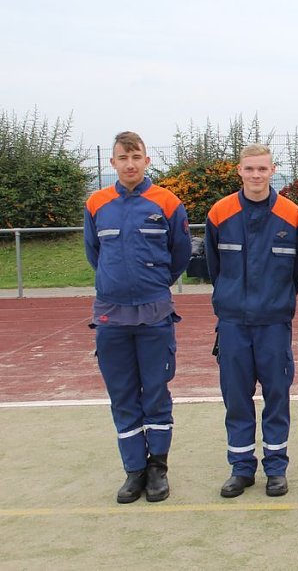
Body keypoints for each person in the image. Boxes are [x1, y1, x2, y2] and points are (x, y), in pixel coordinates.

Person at [84, 131, 191, 504]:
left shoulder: (167, 202)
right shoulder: (97, 203)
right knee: (123, 397)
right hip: (111, 318)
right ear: (112, 163)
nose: (130, 164)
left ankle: (158, 469)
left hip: (155, 314)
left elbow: (179, 255)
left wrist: (153, 283)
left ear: (147, 161)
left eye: (137, 157)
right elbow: (94, 254)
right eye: (123, 158)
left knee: (156, 393)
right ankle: (134, 471)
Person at [205, 144, 298, 498]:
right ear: (239, 171)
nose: (256, 175)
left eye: (262, 169)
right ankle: (242, 467)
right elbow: (213, 269)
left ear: (272, 170)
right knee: (236, 397)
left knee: (277, 395)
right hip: (233, 323)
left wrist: (276, 302)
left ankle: (276, 468)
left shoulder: (292, 215)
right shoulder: (220, 213)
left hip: (274, 324)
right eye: (249, 169)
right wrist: (230, 301)